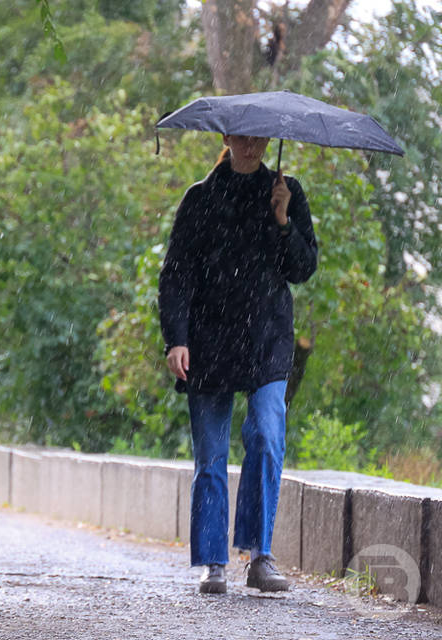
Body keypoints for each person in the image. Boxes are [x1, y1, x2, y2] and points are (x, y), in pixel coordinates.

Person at [158, 135, 317, 594]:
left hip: (267, 336)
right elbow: (177, 273)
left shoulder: (286, 192)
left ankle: (259, 554)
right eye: (241, 138)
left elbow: (303, 268)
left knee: (267, 436)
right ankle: (213, 562)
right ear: (226, 138)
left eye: (258, 138)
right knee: (210, 455)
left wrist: (283, 219)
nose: (251, 146)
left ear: (268, 139)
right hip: (209, 340)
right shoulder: (201, 197)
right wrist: (177, 339)